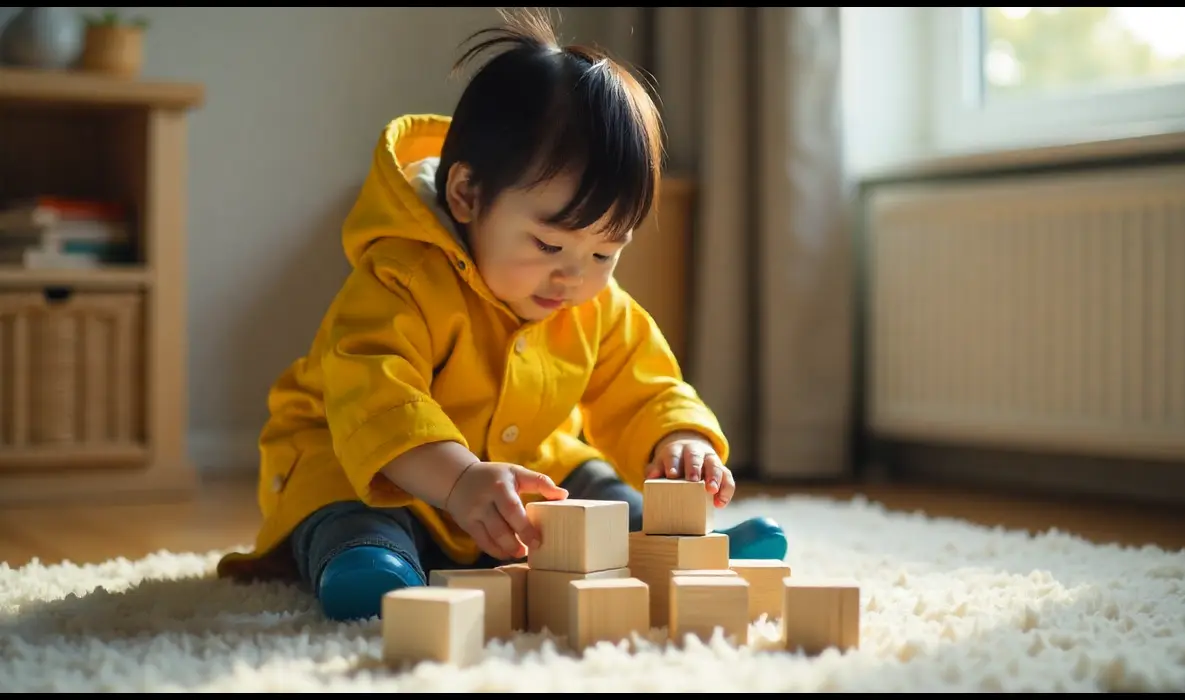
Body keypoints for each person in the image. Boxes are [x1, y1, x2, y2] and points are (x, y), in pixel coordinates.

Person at [216, 8, 787, 622]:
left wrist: (681, 439)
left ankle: (677, 546)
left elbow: (646, 386)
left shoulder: (595, 304)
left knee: (596, 492)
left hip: (523, 473)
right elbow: (375, 396)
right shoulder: (401, 278)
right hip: (377, 470)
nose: (574, 276)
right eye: (548, 245)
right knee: (348, 513)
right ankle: (367, 563)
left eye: (604, 252)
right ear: (465, 195)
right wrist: (458, 480)